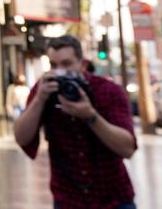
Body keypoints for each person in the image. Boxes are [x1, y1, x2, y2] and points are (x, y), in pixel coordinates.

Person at [13, 34, 137, 209]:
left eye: (67, 64)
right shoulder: (45, 89)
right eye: (54, 65)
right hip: (68, 199)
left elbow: (128, 148)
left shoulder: (108, 91)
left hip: (113, 198)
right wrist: (39, 100)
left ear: (82, 63)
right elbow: (21, 138)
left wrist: (91, 116)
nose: (60, 72)